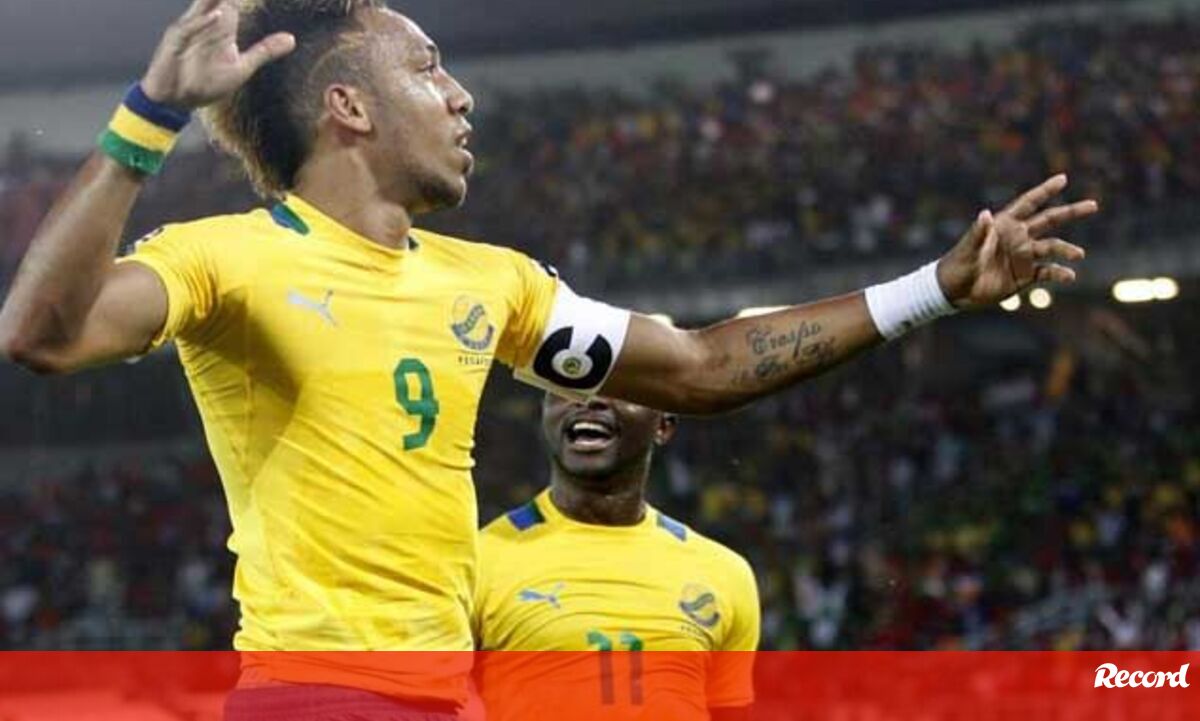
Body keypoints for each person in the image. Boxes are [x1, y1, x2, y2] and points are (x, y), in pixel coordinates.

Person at [0, 0, 1096, 716]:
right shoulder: (227, 259)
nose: (461, 95)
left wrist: (934, 288)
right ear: (348, 106)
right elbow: (41, 333)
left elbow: (698, 368)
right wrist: (150, 116)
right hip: (316, 693)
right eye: (429, 69)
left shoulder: (493, 285)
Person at [474, 394, 758, 721]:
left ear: (663, 426)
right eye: (568, 386)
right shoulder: (478, 562)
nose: (589, 399)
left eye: (619, 389)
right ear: (545, 413)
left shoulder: (724, 573)